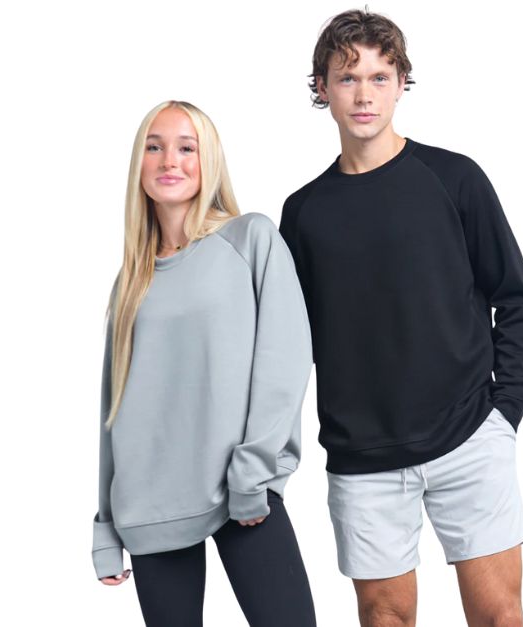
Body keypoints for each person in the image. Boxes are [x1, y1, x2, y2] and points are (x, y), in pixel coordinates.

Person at [278, 10, 523, 627]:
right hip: (362, 457)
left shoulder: (454, 178)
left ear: (401, 83)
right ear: (322, 88)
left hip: (470, 437)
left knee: (500, 616)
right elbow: (288, 345)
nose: (363, 94)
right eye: (347, 78)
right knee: (385, 619)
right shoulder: (303, 213)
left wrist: (506, 410)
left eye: (379, 76)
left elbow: (515, 297)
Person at [91, 100, 317, 627]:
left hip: (243, 491)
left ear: (208, 159)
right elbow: (114, 409)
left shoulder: (250, 239)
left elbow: (285, 362)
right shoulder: (131, 281)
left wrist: (253, 473)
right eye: (154, 147)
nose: (169, 160)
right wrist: (106, 524)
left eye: (186, 147)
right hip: (150, 508)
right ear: (139, 163)